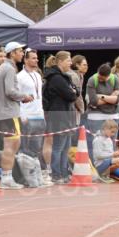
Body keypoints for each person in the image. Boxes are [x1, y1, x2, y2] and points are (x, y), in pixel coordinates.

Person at [0, 41, 33, 189]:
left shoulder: (3, 67)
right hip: (10, 112)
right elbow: (10, 91)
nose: (22, 53)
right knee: (11, 145)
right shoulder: (9, 68)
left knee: (11, 145)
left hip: (5, 111)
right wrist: (24, 96)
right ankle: (6, 178)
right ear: (13, 53)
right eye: (20, 51)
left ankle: (7, 177)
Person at [43, 50, 79, 184]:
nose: (71, 62)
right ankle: (56, 174)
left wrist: (74, 91)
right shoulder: (56, 78)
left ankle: (64, 172)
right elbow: (71, 95)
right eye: (69, 60)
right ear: (60, 61)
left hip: (66, 115)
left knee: (66, 147)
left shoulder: (64, 77)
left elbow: (76, 91)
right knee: (59, 146)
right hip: (59, 115)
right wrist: (73, 92)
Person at [17, 48, 50, 182]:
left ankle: (36, 175)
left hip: (39, 115)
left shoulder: (37, 75)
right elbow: (17, 98)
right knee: (25, 148)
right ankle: (25, 177)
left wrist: (42, 115)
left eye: (36, 58)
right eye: (33, 58)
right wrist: (22, 116)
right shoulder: (19, 76)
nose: (36, 60)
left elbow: (39, 96)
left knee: (37, 148)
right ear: (25, 59)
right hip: (27, 116)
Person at [85, 62, 119, 153]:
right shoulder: (92, 80)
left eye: (102, 78)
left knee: (111, 143)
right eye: (99, 76)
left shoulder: (115, 79)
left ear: (108, 76)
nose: (99, 78)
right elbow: (93, 101)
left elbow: (118, 100)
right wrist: (111, 98)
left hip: (113, 116)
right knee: (96, 142)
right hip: (96, 116)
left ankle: (109, 165)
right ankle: (95, 165)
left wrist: (102, 96)